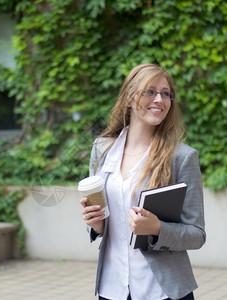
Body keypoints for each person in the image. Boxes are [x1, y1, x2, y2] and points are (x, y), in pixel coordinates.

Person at [80, 63, 206, 300]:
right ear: (129, 98)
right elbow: (103, 220)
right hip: (112, 286)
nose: (160, 99)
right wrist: (96, 225)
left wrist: (157, 229)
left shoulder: (182, 157)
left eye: (166, 93)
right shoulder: (102, 149)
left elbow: (197, 234)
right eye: (150, 91)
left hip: (162, 290)